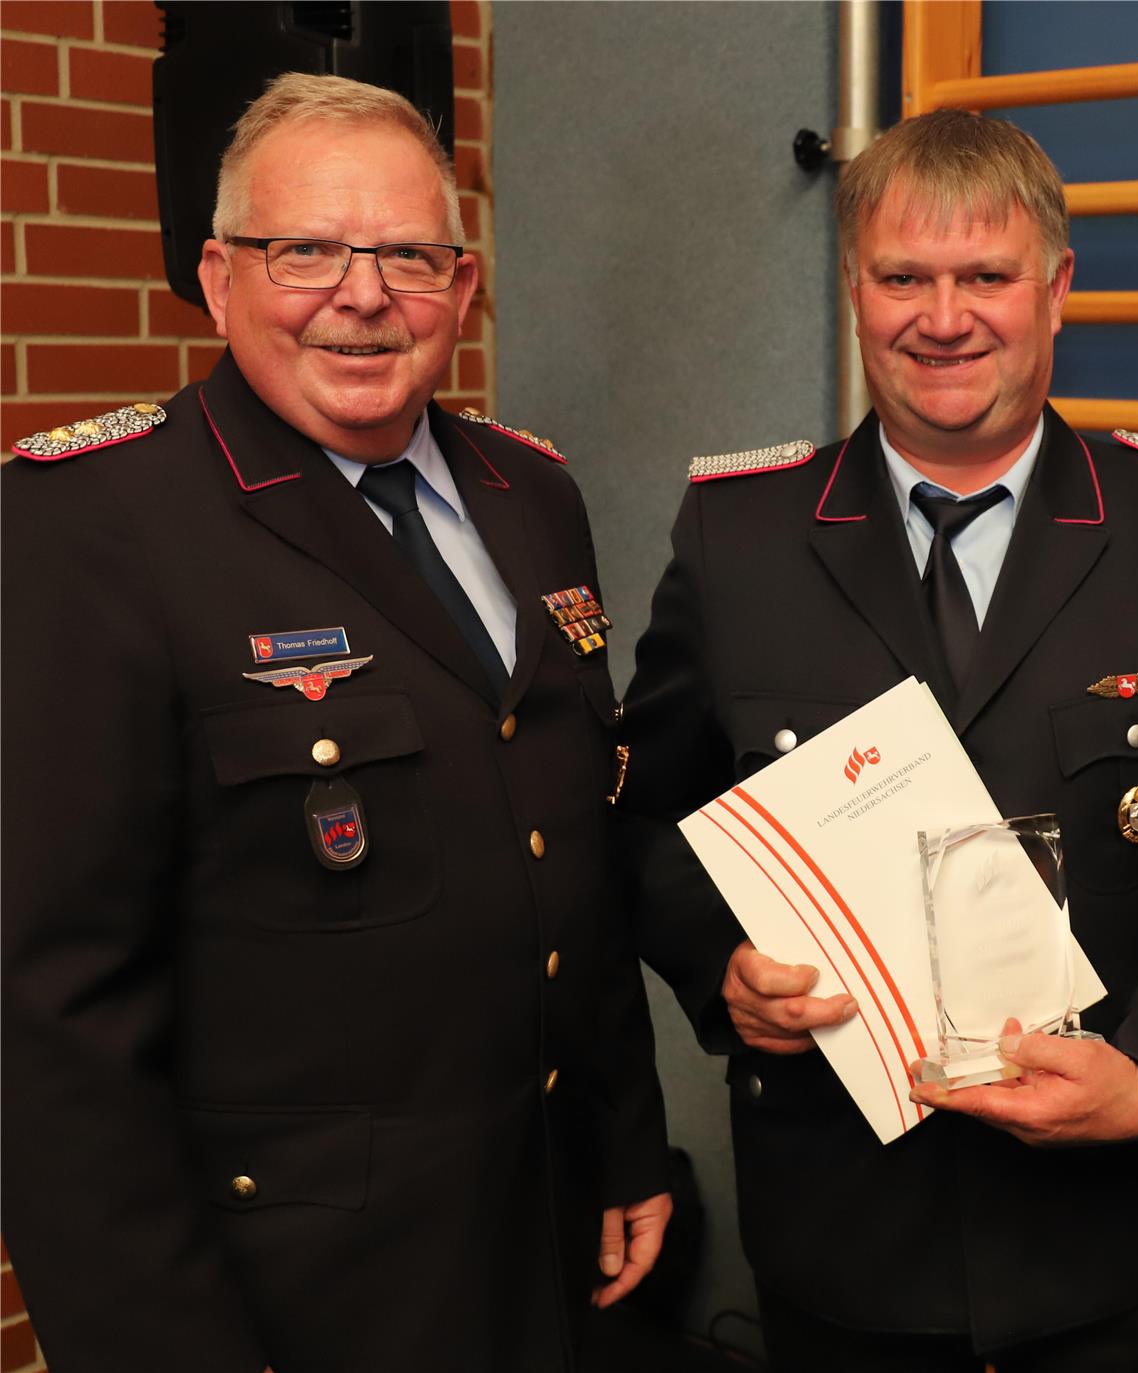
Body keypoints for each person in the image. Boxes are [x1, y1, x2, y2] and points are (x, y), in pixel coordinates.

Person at [615, 108, 1138, 1371]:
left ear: (1056, 292)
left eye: (986, 276)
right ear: (854, 290)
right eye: (904, 278)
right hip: (841, 1239)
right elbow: (652, 823)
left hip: (1111, 1238)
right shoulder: (739, 540)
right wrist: (722, 961)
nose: (944, 318)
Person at [1, 74, 671, 1373]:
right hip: (292, 1297)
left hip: (542, 1240)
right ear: (217, 275)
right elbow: (51, 1016)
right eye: (304, 248)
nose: (363, 296)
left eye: (410, 255)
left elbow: (569, 853)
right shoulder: (96, 527)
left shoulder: (533, 496)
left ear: (463, 288)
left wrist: (624, 1134)